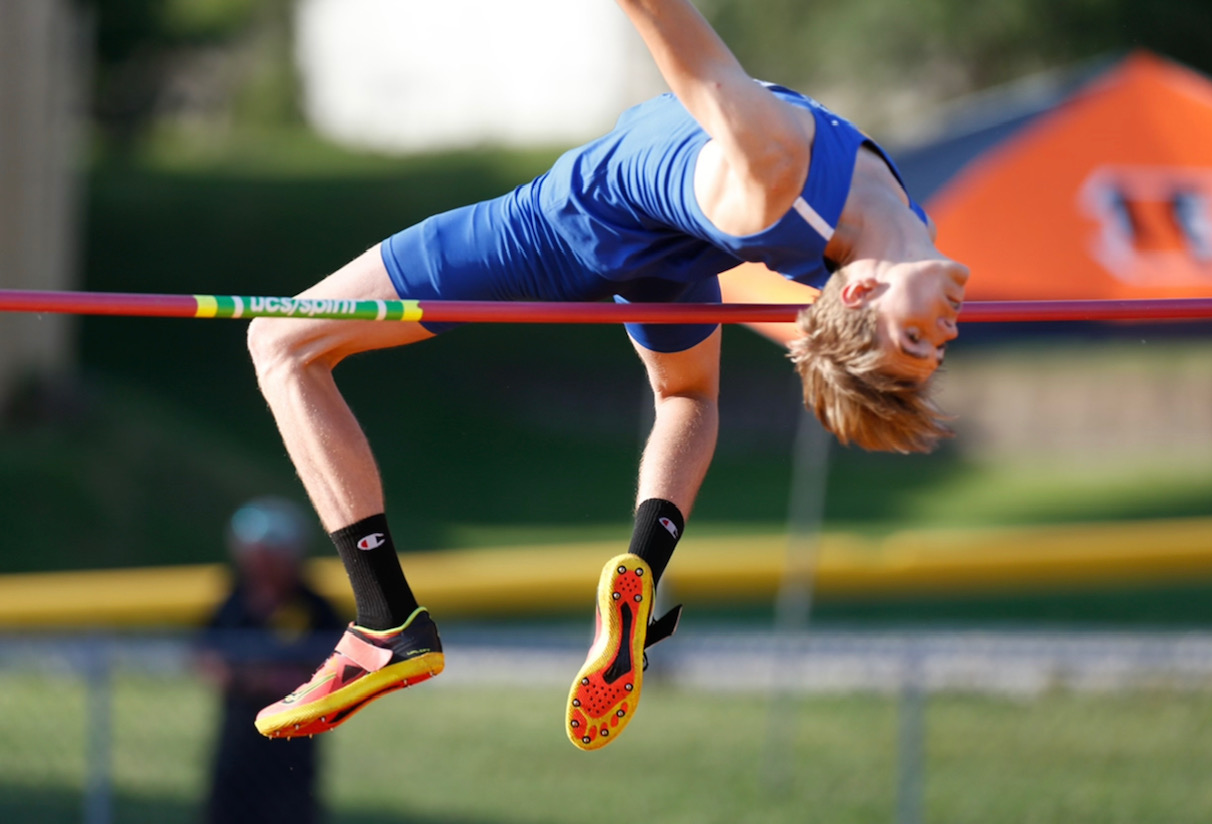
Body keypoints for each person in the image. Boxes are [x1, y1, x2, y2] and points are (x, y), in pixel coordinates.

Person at [246, 0, 969, 751]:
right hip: (670, 247)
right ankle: (641, 566)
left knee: (281, 343)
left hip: (567, 224)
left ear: (857, 292)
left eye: (914, 336)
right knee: (687, 395)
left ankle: (384, 618)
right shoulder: (900, 229)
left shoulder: (774, 164)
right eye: (933, 344)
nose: (947, 328)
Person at [197, 497, 345, 823]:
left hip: (293, 744)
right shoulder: (233, 602)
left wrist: (276, 680)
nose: (262, 564)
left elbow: (338, 664)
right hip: (238, 742)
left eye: (271, 555)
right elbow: (206, 654)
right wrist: (243, 678)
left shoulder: (314, 606)